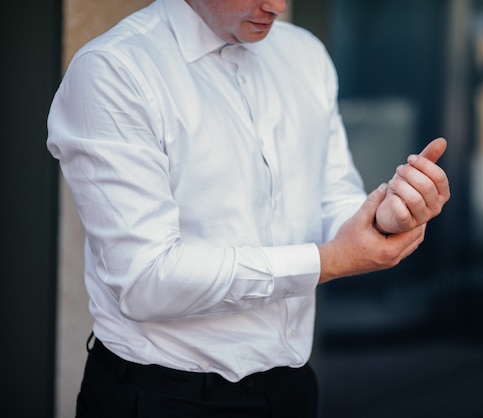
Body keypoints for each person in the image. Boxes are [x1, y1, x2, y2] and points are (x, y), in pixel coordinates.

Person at [47, 0, 450, 416]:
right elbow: (145, 280)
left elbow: (332, 197)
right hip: (159, 397)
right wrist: (329, 260)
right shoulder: (114, 70)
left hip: (291, 389)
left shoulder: (305, 54)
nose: (277, 5)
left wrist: (383, 220)